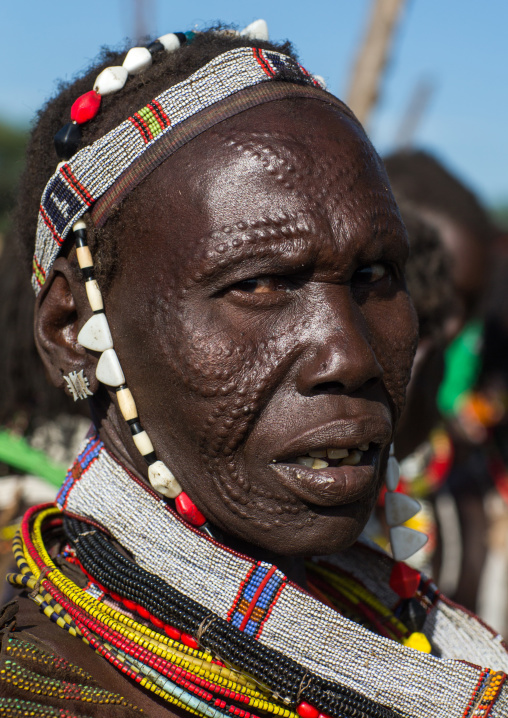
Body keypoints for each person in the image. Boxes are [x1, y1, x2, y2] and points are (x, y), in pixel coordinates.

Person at [2, 25, 508, 718]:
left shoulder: (412, 632)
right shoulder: (38, 678)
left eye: (374, 275)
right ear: (73, 329)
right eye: (262, 284)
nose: (351, 357)